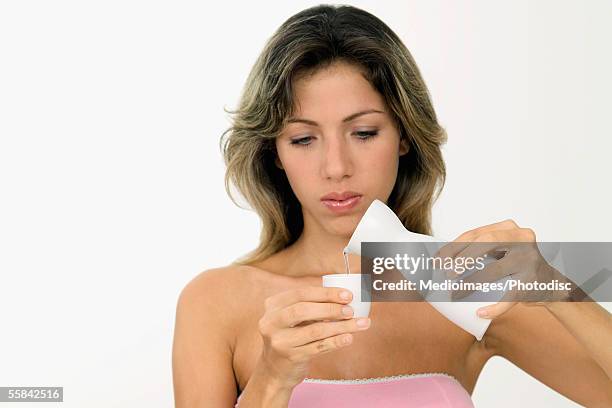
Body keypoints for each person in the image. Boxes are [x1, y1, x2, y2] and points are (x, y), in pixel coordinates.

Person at [172, 4, 612, 407]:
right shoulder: (215, 303)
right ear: (274, 153)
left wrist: (551, 283)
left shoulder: (460, 292)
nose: (336, 167)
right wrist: (271, 377)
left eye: (363, 133)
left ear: (403, 135)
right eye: (303, 139)